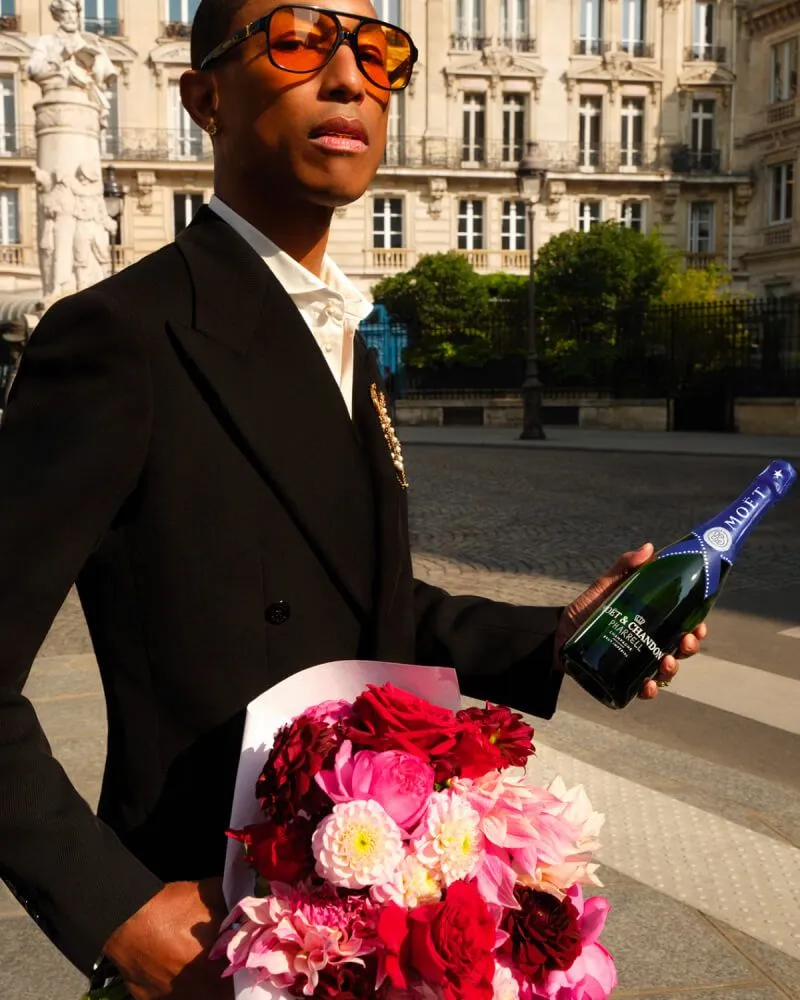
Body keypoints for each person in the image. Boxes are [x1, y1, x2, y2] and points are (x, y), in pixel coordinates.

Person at [0, 2, 706, 999]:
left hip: (366, 909)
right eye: (294, 38)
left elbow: (356, 594)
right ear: (203, 96)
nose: (347, 77)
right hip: (207, 919)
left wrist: (556, 636)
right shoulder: (119, 335)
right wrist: (113, 908)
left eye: (375, 50)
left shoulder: (346, 335)